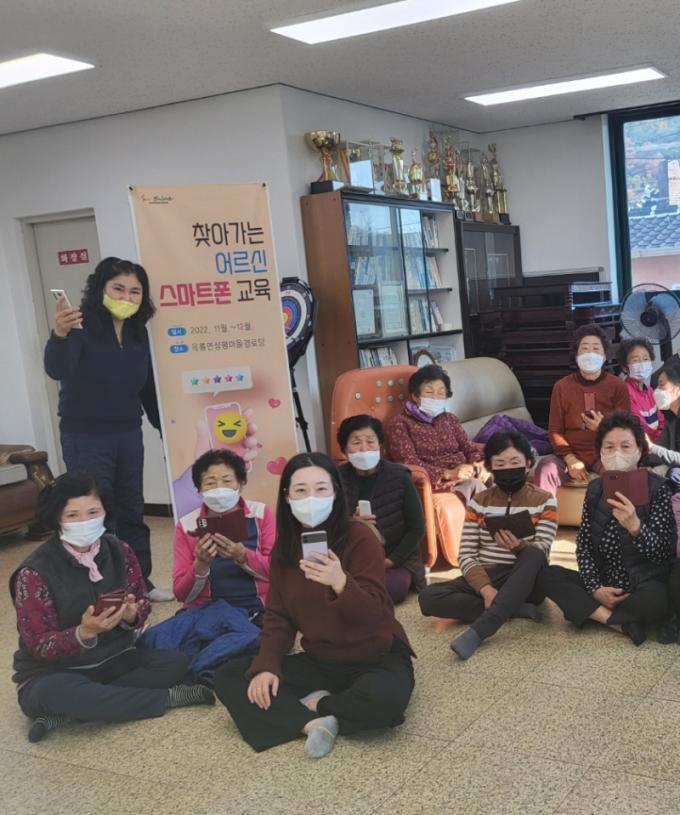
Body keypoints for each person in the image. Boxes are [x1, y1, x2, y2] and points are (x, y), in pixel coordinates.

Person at [213, 453, 414, 759]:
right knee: (231, 676)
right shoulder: (285, 549)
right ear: (287, 497)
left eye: (321, 489)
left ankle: (316, 704)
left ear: (336, 492)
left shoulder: (360, 538)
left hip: (376, 655)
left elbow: (376, 616)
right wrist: (267, 666)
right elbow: (278, 616)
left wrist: (341, 583)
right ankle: (312, 723)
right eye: (301, 490)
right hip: (322, 659)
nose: (311, 498)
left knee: (384, 702)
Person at [10, 472, 214, 743]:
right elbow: (38, 644)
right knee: (57, 692)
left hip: (113, 659)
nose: (84, 521)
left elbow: (141, 602)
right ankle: (167, 698)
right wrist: (83, 633)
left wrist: (132, 615)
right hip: (54, 673)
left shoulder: (120, 550)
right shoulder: (34, 572)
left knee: (175, 663)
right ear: (56, 517)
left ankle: (69, 714)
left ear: (105, 511)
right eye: (72, 515)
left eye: (93, 512)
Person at [44, 256, 171, 601]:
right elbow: (56, 369)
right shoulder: (79, 327)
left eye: (134, 291)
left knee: (131, 509)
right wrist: (59, 335)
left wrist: (165, 430)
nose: (126, 297)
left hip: (128, 434)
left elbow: (145, 387)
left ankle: (140, 582)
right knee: (97, 512)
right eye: (118, 289)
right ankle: (106, 587)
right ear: (100, 289)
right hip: (85, 436)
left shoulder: (137, 332)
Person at [538, 412, 676, 646]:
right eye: (609, 447)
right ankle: (617, 622)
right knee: (547, 575)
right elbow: (584, 545)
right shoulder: (595, 489)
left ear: (640, 450)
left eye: (625, 446)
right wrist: (595, 588)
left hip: (642, 583)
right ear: (600, 451)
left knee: (659, 600)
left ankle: (595, 613)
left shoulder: (658, 489)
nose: (616, 453)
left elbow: (664, 553)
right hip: (604, 580)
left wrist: (636, 527)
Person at [419, 431, 557, 659]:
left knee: (533, 554)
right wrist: (485, 588)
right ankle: (511, 608)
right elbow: (466, 554)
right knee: (428, 597)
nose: (508, 469)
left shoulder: (544, 500)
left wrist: (519, 547)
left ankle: (480, 631)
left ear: (528, 463)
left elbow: (543, 547)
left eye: (515, 462)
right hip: (489, 575)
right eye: (500, 464)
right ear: (490, 467)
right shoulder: (479, 502)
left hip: (527, 579)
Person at [385, 364, 487, 557]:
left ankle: (517, 535)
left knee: (501, 471)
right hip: (437, 481)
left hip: (465, 472)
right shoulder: (400, 424)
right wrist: (448, 474)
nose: (436, 397)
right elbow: (409, 463)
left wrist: (479, 464)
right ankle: (494, 543)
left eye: (441, 393)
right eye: (429, 392)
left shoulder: (449, 419)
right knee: (475, 487)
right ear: (416, 396)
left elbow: (469, 447)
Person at [172, 449, 275, 618]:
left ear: (241, 483)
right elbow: (181, 594)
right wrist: (200, 565)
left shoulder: (261, 513)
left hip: (256, 608)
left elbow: (276, 573)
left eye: (227, 480)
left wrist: (242, 556)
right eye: (210, 482)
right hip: (204, 610)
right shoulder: (186, 525)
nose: (219, 488)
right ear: (199, 489)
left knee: (252, 633)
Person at [337, 415, 426, 604]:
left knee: (393, 588)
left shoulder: (399, 476)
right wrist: (352, 522)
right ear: (345, 449)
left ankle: (355, 596)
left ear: (380, 446)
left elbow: (417, 528)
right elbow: (330, 525)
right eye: (356, 443)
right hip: (352, 558)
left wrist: (391, 560)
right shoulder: (336, 479)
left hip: (394, 559)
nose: (364, 448)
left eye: (370, 441)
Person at [534, 324, 630, 494]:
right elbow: (555, 431)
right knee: (546, 468)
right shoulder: (561, 387)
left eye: (596, 349)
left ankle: (617, 512)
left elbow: (626, 429)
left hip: (606, 453)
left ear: (605, 356)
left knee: (620, 473)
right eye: (584, 349)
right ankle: (546, 512)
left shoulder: (618, 386)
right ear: (577, 355)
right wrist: (570, 458)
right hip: (570, 453)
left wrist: (604, 428)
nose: (590, 353)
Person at [618, 337, 663, 442]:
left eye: (645, 359)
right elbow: (640, 428)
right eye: (635, 360)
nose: (642, 364)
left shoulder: (650, 390)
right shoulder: (625, 393)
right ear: (625, 367)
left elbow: (661, 419)